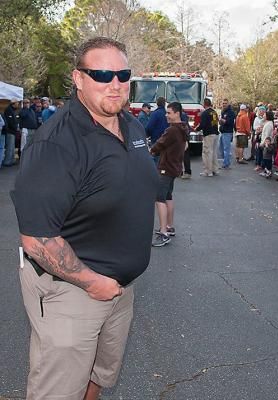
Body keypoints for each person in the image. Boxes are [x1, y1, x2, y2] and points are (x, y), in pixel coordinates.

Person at [11, 37, 158, 400]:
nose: (115, 83)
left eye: (123, 74)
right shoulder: (56, 144)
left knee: (98, 377)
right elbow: (37, 240)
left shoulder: (131, 125)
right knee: (59, 391)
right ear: (78, 78)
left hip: (119, 288)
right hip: (72, 291)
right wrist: (94, 283)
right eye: (103, 73)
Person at [151, 102, 188, 246]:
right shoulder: (184, 128)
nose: (166, 115)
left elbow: (159, 144)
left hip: (166, 167)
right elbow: (185, 146)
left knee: (159, 198)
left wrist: (151, 150)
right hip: (175, 167)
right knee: (168, 196)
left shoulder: (172, 130)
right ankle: (169, 226)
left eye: (169, 113)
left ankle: (163, 233)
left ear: (177, 113)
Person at [196, 97, 219, 177]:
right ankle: (215, 169)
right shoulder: (214, 112)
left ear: (204, 104)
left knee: (206, 153)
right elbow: (215, 122)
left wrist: (196, 129)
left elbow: (203, 124)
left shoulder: (205, 113)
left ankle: (207, 171)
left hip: (208, 134)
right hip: (216, 133)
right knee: (213, 152)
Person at [219, 98, 236, 169]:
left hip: (228, 132)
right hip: (223, 132)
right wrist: (220, 121)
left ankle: (226, 164)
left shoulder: (231, 112)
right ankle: (225, 162)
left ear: (228, 104)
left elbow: (229, 122)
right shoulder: (223, 112)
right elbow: (221, 122)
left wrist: (221, 120)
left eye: (225, 103)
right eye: (223, 103)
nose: (224, 105)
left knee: (226, 149)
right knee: (221, 148)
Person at [3, 98, 20, 166]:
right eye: (17, 103)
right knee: (10, 147)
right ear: (13, 104)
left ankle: (11, 160)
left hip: (13, 131)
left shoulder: (12, 110)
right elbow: (10, 122)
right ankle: (7, 161)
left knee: (12, 147)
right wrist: (15, 127)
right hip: (10, 131)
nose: (18, 104)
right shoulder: (9, 110)